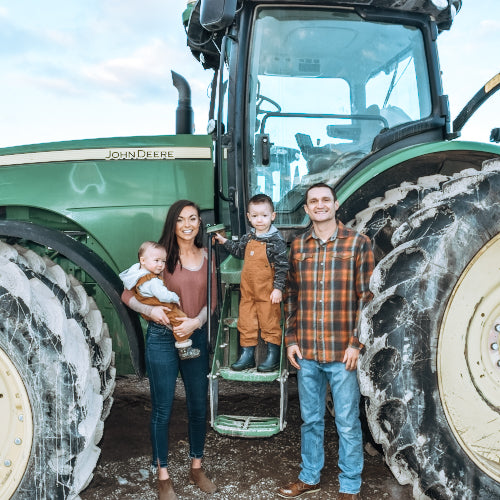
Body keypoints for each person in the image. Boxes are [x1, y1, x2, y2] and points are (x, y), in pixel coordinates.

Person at [277, 183, 374, 500]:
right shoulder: (299, 246)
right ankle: (309, 477)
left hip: (341, 352)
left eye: (325, 200)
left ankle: (349, 485)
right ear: (306, 209)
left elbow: (367, 298)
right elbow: (290, 296)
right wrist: (291, 339)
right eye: (313, 201)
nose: (319, 205)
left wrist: (356, 344)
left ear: (335, 205)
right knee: (310, 421)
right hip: (306, 352)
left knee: (347, 422)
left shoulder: (358, 243)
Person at [122, 200, 217, 500]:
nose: (187, 224)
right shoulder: (160, 257)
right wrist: (150, 314)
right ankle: (163, 475)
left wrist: (195, 323)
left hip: (194, 336)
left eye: (193, 218)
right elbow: (127, 294)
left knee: (198, 406)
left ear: (199, 223)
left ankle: (196, 466)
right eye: (180, 219)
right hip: (163, 337)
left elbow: (213, 300)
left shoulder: (208, 256)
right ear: (172, 224)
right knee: (162, 408)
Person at [214, 193, 288, 372]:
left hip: (267, 293)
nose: (259, 220)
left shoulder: (276, 241)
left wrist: (278, 289)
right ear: (248, 217)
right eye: (254, 216)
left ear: (273, 216)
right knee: (246, 322)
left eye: (264, 215)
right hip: (248, 293)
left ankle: (273, 356)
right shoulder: (248, 238)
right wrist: (224, 241)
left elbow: (282, 267)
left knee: (270, 322)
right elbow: (239, 251)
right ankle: (247, 355)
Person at [119, 240, 200, 360]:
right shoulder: (152, 280)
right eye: (156, 261)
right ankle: (184, 349)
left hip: (151, 307)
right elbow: (162, 295)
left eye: (163, 261)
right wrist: (174, 297)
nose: (160, 265)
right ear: (142, 261)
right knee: (179, 322)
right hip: (160, 307)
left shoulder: (136, 273)